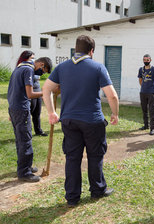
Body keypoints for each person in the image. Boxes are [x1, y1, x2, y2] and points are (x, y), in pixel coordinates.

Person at [43, 35, 119, 207]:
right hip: (92, 121)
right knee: (95, 156)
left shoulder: (62, 67)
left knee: (72, 158)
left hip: (69, 120)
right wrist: (115, 114)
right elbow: (112, 95)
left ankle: (72, 197)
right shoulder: (98, 67)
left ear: (75, 49)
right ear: (92, 51)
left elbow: (46, 89)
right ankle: (97, 190)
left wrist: (51, 112)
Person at [7, 54, 52, 182]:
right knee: (25, 140)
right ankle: (24, 172)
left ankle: (24, 166)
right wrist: (46, 92)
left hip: (14, 109)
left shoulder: (19, 67)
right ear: (42, 65)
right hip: (21, 109)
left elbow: (11, 91)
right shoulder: (28, 70)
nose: (41, 74)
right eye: (43, 71)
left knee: (20, 140)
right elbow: (30, 94)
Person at [16, 51, 48, 137]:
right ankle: (27, 132)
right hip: (30, 93)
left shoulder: (35, 69)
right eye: (32, 58)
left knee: (37, 113)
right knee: (30, 113)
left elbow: (37, 81)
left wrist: (40, 94)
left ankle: (38, 130)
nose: (33, 60)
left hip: (37, 91)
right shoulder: (26, 69)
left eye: (34, 58)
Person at [138, 54, 154, 135]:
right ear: (143, 60)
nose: (146, 61)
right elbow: (140, 80)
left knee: (151, 111)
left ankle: (152, 128)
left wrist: (152, 89)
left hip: (151, 93)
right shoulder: (141, 69)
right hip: (143, 92)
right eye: (144, 60)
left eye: (147, 60)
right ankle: (146, 125)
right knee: (144, 110)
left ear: (150, 60)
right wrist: (144, 87)